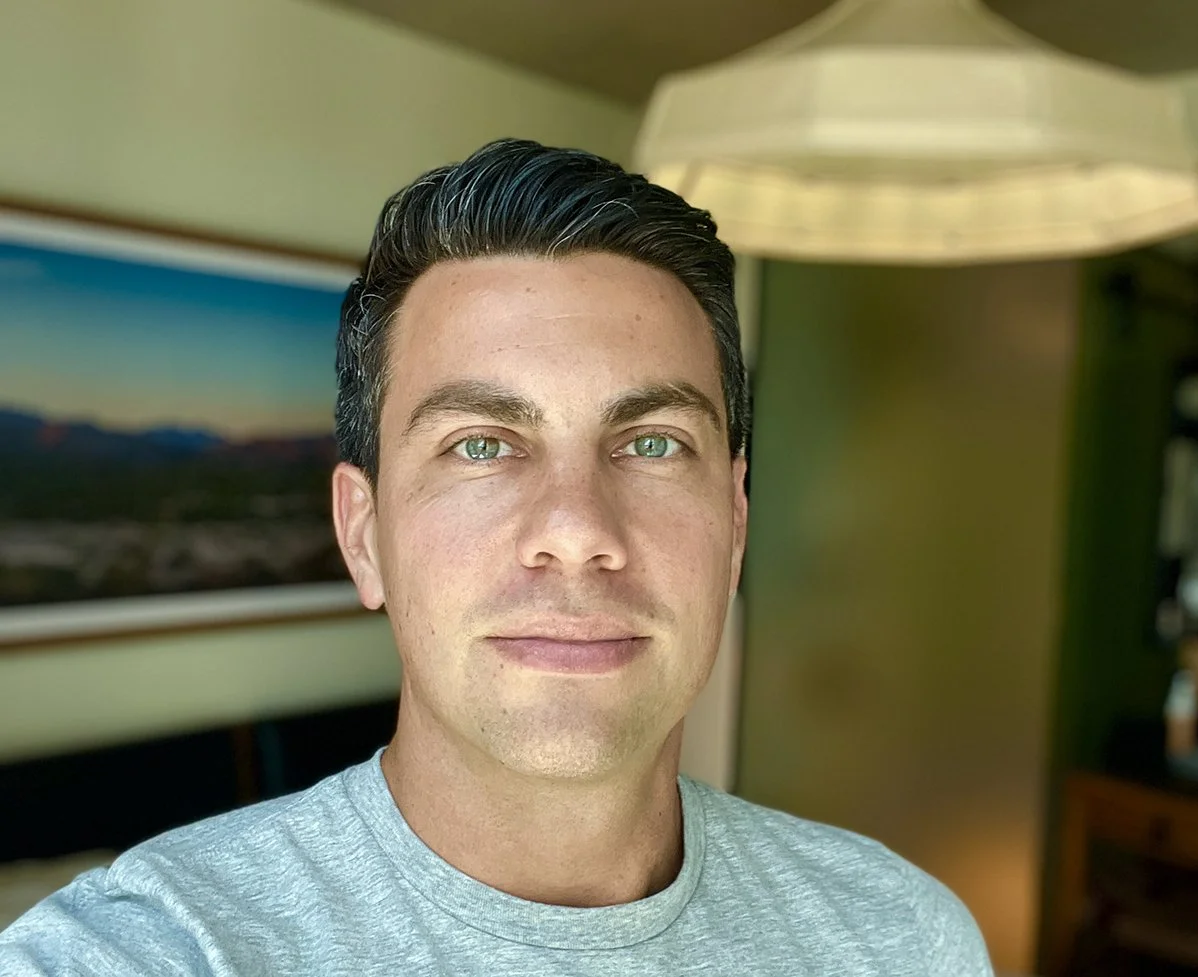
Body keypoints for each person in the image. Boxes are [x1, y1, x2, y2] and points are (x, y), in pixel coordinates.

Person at [0, 139, 993, 975]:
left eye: (652, 443)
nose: (577, 526)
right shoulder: (153, 950)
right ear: (364, 535)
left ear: (733, 521)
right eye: (481, 444)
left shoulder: (904, 936)